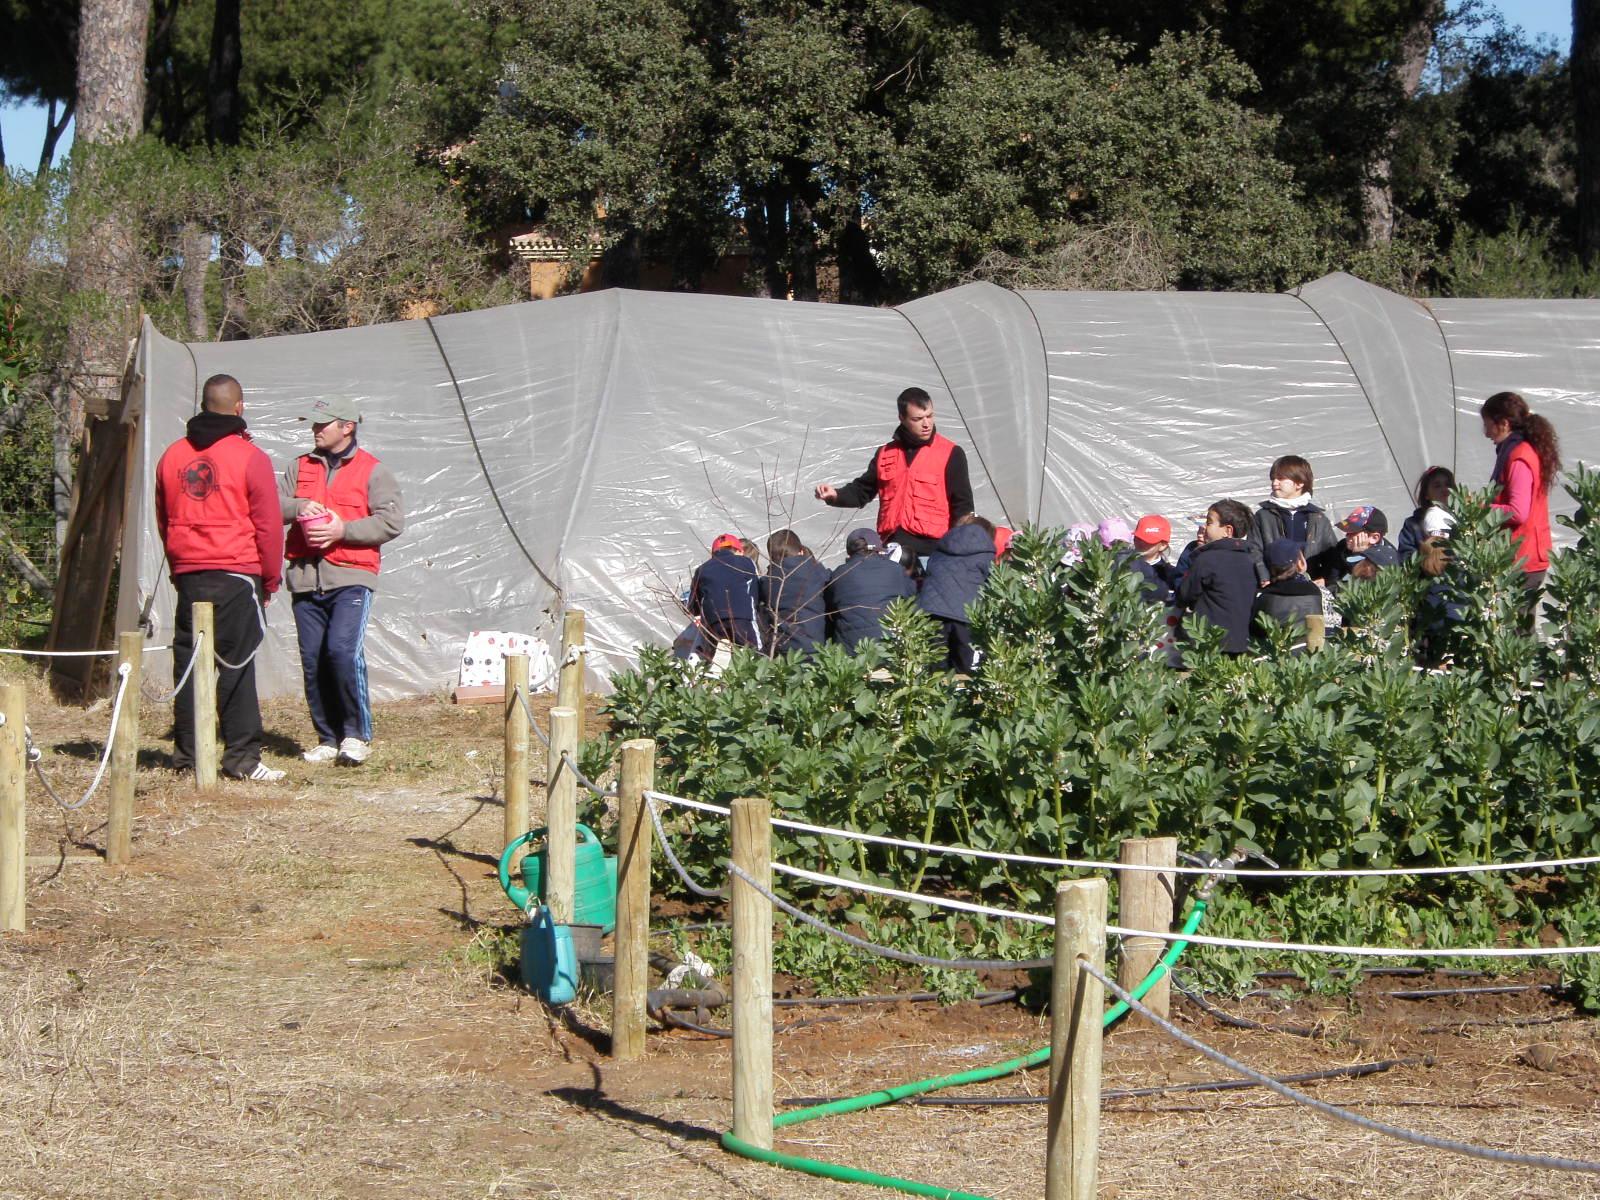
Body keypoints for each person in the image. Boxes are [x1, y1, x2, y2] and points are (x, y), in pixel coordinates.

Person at [155, 374, 285, 782]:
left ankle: (188, 759)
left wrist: (179, 566)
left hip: (190, 574)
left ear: (203, 405)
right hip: (236, 571)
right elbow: (268, 525)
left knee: (191, 667)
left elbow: (164, 517)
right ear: (239, 408)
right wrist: (270, 578)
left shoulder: (171, 455)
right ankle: (242, 759)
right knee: (236, 665)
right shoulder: (250, 457)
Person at [279, 397, 405, 765]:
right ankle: (327, 737)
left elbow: (391, 522)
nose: (315, 430)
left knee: (341, 652)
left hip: (351, 576)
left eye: (323, 424)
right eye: (313, 424)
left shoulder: (373, 471)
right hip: (305, 576)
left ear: (347, 426)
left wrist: (342, 530)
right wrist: (299, 506)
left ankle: (355, 735)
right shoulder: (298, 466)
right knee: (313, 659)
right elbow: (271, 505)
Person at [814, 386, 974, 566]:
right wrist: (835, 495)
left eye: (929, 416)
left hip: (933, 554)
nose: (926, 424)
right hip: (892, 553)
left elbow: (963, 508)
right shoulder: (885, 453)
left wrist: (957, 553)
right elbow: (862, 491)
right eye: (918, 419)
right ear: (902, 418)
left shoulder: (951, 453)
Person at [1482, 390, 1561, 597]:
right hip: (1523, 555)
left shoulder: (1518, 457)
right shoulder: (1518, 452)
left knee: (1517, 627)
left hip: (1523, 557)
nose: (1486, 432)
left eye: (1488, 424)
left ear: (1504, 423)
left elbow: (1518, 512)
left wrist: (1480, 508)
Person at [1176, 500, 1257, 655]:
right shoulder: (1250, 560)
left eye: (1209, 523)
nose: (1204, 528)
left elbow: (1185, 594)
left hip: (1208, 640)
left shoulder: (1207, 559)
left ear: (1227, 530)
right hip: (1240, 641)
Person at [916, 514, 996, 671]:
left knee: (935, 672)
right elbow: (993, 583)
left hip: (932, 613)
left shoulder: (941, 549)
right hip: (966, 616)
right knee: (968, 672)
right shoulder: (985, 552)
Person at [1247, 455, 1340, 585]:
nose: (1274, 483)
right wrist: (1264, 577)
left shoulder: (1317, 517)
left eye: (1280, 478)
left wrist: (1326, 578)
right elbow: (1254, 550)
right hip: (1274, 586)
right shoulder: (1263, 516)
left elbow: (1332, 554)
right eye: (1273, 479)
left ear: (1300, 483)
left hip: (1309, 588)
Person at [826, 527, 917, 651]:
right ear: (879, 549)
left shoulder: (838, 574)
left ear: (849, 552)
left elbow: (831, 609)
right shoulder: (896, 570)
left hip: (851, 652)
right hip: (890, 649)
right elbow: (913, 601)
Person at [688, 533, 763, 651]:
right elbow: (754, 593)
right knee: (754, 654)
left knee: (712, 655)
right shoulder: (747, 563)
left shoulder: (702, 569)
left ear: (713, 553)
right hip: (742, 618)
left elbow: (693, 605)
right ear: (738, 550)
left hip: (713, 621)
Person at [760, 529, 830, 656]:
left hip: (781, 648)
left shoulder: (767, 581)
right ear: (801, 551)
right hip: (814, 646)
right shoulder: (816, 571)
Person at [1251, 538, 1322, 638]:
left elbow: (1255, 632)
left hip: (1275, 651)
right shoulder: (1315, 591)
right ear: (1297, 563)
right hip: (1309, 650)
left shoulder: (1263, 597)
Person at [1315, 506, 1398, 591]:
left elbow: (1364, 590)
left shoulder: (1386, 560)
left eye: (1353, 532)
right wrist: (1325, 581)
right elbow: (1332, 577)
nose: (1347, 535)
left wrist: (1360, 556)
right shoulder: (1343, 546)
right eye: (1347, 531)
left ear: (1374, 538)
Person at [1397, 466, 1455, 562]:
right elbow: (1406, 558)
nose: (1445, 489)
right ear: (1426, 495)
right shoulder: (1412, 524)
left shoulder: (1465, 521)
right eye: (1437, 486)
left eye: (1448, 485)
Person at [1124, 514, 1176, 605]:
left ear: (1163, 545)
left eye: (1147, 540)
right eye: (1138, 538)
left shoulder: (1168, 575)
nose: (1140, 543)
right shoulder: (1122, 563)